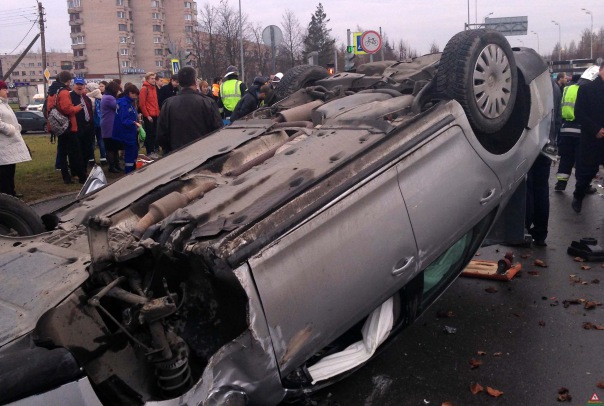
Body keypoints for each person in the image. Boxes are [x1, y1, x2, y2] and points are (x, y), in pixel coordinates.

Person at [525, 78, 562, 246]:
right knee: (541, 187)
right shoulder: (554, 87)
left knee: (527, 186)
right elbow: (558, 118)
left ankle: (524, 228)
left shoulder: (528, 82)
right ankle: (540, 233)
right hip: (548, 144)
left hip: (529, 143)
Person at [158, 67, 223, 154]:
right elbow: (218, 130)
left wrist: (168, 150)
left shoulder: (168, 104)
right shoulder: (207, 102)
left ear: (179, 82)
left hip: (176, 156)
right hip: (203, 155)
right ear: (195, 81)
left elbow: (161, 135)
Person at [555, 67, 599, 192]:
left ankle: (561, 183)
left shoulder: (568, 88)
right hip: (582, 130)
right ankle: (583, 187)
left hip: (566, 128)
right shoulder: (588, 90)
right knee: (582, 160)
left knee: (566, 157)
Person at [572, 62, 604, 213]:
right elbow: (579, 113)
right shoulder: (587, 89)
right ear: (601, 70)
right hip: (592, 138)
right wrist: (595, 129)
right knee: (588, 172)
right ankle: (578, 195)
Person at [47, 71, 87, 184]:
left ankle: (66, 177)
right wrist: (78, 107)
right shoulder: (64, 92)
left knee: (63, 153)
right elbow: (67, 109)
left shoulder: (52, 91)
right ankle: (81, 176)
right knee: (75, 152)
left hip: (58, 126)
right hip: (68, 126)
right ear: (68, 81)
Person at [0, 80, 31, 197]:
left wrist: (17, 127)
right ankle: (6, 194)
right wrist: (10, 129)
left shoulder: (5, 104)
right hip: (3, 144)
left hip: (10, 143)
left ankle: (11, 191)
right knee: (4, 171)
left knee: (10, 169)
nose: (6, 91)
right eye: (4, 89)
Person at [112, 84, 141, 174]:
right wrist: (135, 123)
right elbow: (124, 120)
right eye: (135, 95)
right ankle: (129, 171)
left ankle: (132, 168)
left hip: (131, 132)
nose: (136, 97)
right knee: (130, 153)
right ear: (130, 93)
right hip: (127, 133)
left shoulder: (128, 103)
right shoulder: (124, 104)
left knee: (134, 151)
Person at [71, 77, 96, 170]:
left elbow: (90, 111)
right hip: (77, 128)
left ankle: (84, 169)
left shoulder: (86, 98)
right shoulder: (71, 97)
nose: (79, 86)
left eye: (81, 85)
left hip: (88, 128)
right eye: (77, 84)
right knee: (78, 151)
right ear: (73, 86)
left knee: (87, 150)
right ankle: (78, 171)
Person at [101, 81, 123, 173]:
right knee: (110, 147)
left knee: (114, 146)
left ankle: (116, 164)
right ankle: (112, 165)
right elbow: (119, 106)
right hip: (109, 125)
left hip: (110, 124)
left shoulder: (106, 97)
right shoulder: (109, 98)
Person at [139, 72, 160, 157]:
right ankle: (149, 151)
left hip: (155, 113)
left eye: (154, 78)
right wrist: (147, 115)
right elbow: (142, 104)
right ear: (147, 79)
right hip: (149, 115)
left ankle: (153, 150)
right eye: (152, 78)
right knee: (149, 134)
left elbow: (155, 102)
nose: (154, 80)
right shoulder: (144, 89)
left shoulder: (154, 88)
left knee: (154, 133)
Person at [86, 82, 107, 165]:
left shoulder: (89, 98)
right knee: (101, 140)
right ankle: (103, 158)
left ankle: (91, 159)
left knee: (91, 141)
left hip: (92, 122)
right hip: (101, 121)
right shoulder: (101, 97)